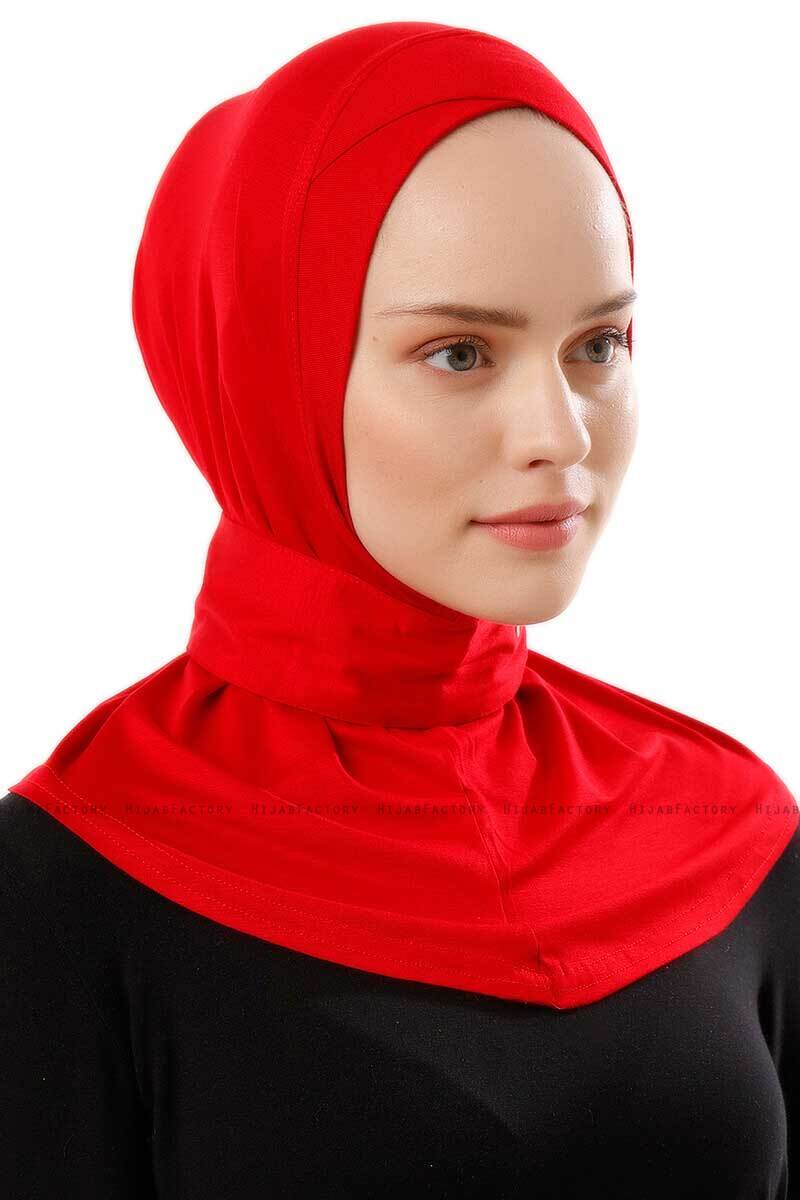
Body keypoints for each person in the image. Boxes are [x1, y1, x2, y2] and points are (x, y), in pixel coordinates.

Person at [1, 19, 797, 1199]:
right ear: (265, 370)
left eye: (598, 343)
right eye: (460, 353)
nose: (560, 435)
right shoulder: (71, 883)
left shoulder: (730, 833)